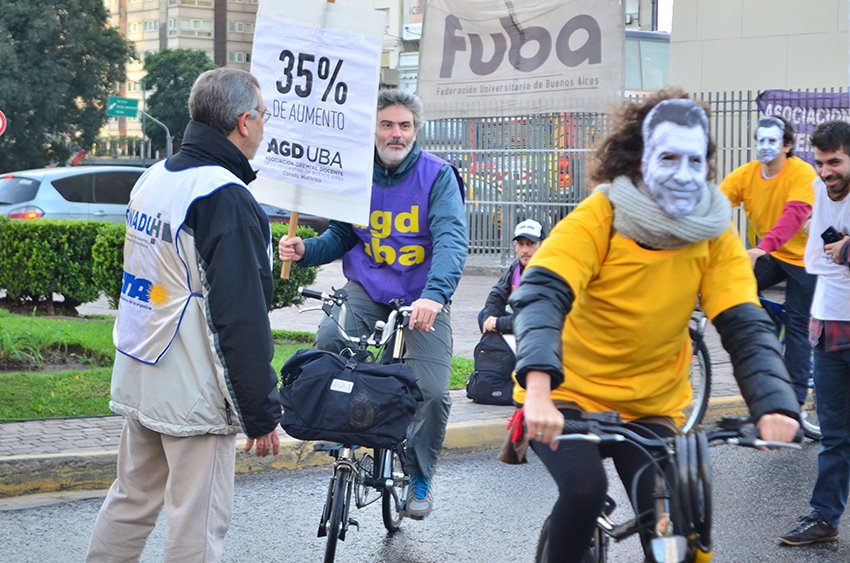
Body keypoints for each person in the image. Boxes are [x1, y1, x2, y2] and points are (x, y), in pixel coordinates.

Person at [509, 88, 800, 561]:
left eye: (695, 160)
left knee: (676, 525)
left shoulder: (714, 233)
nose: (684, 174)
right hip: (566, 397)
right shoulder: (601, 215)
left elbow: (744, 323)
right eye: (668, 157)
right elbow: (543, 295)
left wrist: (775, 405)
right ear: (639, 160)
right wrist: (539, 391)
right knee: (583, 490)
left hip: (651, 406)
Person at [86, 68, 281, 562]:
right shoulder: (225, 197)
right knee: (195, 524)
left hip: (141, 368)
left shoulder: (156, 177)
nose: (264, 126)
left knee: (130, 500)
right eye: (263, 115)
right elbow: (240, 317)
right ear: (243, 122)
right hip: (194, 391)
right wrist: (259, 412)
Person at [278, 88, 467, 520]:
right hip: (368, 289)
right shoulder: (355, 175)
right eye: (387, 125)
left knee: (433, 391)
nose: (396, 134)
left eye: (404, 125)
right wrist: (305, 251)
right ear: (373, 130)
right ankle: (338, 428)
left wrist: (435, 296)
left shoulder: (437, 177)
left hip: (423, 298)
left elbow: (452, 241)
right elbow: (342, 238)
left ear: (415, 131)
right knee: (328, 341)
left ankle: (418, 475)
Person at [780, 120, 850, 546]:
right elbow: (813, 261)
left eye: (835, 162)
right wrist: (838, 251)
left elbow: (835, 256)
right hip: (828, 325)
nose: (826, 172)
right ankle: (823, 518)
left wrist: (846, 249)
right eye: (820, 163)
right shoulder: (821, 191)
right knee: (835, 435)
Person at [720, 115, 817, 407]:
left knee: (799, 326)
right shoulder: (746, 174)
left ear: (787, 145)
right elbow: (716, 206)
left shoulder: (802, 173)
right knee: (734, 288)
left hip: (805, 259)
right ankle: (773, 320)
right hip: (772, 254)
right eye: (760, 140)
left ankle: (796, 402)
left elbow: (794, 216)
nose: (764, 146)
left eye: (772, 140)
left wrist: (761, 249)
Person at [477, 218, 543, 334]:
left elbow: (536, 317)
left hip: (543, 328)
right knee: (484, 315)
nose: (525, 250)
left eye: (530, 244)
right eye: (520, 244)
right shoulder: (516, 267)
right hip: (522, 323)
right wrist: (491, 318)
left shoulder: (548, 271)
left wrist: (498, 323)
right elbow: (497, 295)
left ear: (542, 245)